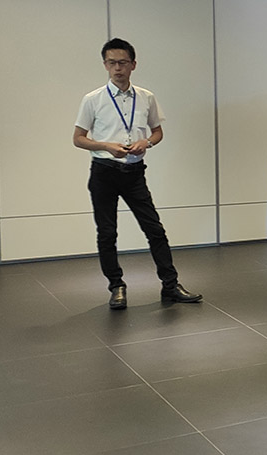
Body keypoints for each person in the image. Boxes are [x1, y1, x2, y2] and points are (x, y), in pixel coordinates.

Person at [72, 38, 202, 309]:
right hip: (104, 172)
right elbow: (79, 139)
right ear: (105, 65)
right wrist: (106, 146)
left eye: (122, 62)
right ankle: (116, 286)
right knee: (107, 233)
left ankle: (170, 285)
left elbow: (157, 131)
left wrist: (148, 143)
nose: (117, 68)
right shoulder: (93, 99)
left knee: (154, 229)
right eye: (111, 63)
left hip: (134, 172)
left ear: (133, 64)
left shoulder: (146, 97)